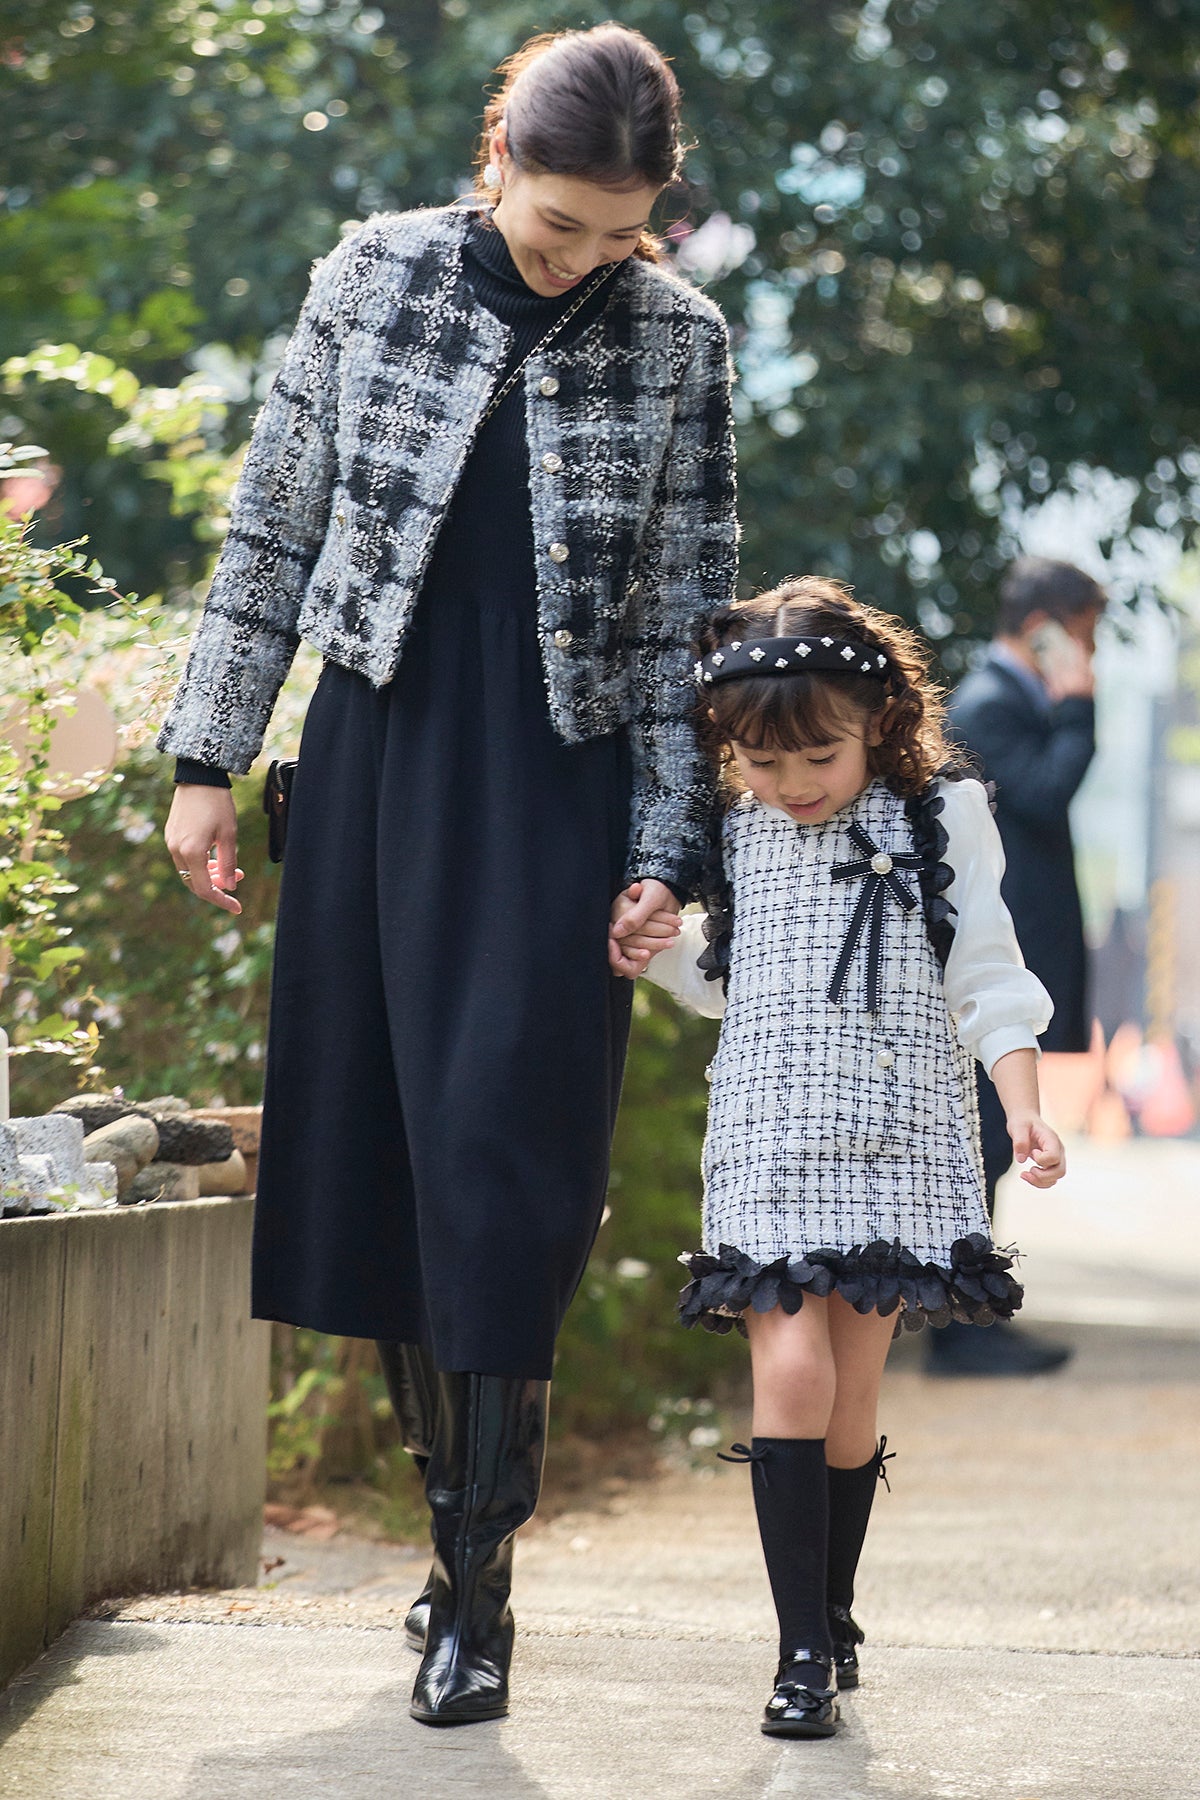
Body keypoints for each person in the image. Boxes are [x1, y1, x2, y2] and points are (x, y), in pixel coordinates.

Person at [158, 25, 738, 1727]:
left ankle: (482, 1584)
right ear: (499, 159)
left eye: (622, 233)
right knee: (391, 1162)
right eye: (561, 224)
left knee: (504, 1164)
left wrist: (666, 853)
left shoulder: (679, 340)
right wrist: (206, 760)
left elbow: (687, 617)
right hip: (379, 753)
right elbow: (275, 519)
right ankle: (452, 1542)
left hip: (556, 782)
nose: (587, 258)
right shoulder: (374, 276)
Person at [630, 578, 1063, 1739]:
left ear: (879, 717)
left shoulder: (939, 815)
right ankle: (800, 1653)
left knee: (852, 1397)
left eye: (818, 755)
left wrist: (1024, 1107)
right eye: (762, 762)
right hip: (767, 1129)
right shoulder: (736, 830)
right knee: (792, 1369)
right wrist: (654, 950)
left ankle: (832, 1610)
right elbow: (728, 978)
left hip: (901, 1132)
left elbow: (986, 971)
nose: (792, 783)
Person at [935, 556, 1103, 1377]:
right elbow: (1044, 793)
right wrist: (1080, 708)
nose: (1090, 654)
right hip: (994, 956)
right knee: (983, 1141)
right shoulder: (990, 706)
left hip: (1014, 947)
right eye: (1085, 635)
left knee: (994, 1146)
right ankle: (961, 1327)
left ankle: (972, 1313)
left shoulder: (1007, 701)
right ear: (1045, 628)